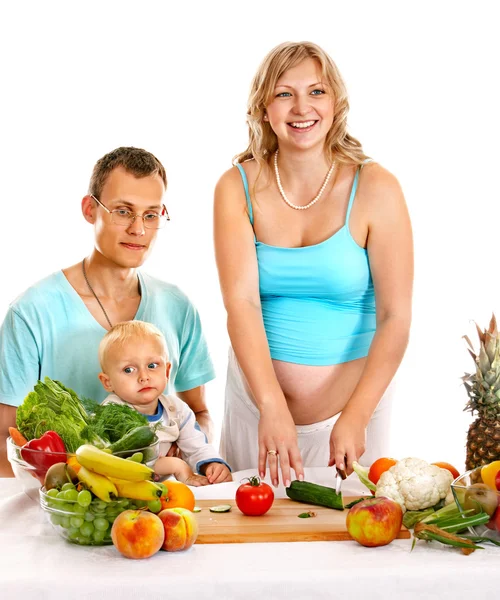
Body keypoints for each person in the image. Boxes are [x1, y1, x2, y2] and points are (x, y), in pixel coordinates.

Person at [214, 41, 413, 487]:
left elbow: (395, 317)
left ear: (336, 103)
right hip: (257, 409)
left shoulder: (377, 188)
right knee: (250, 541)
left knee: (354, 543)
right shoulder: (235, 187)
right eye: (284, 93)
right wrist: (271, 405)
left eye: (316, 92)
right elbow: (240, 303)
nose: (302, 107)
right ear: (264, 109)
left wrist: (357, 414)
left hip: (353, 417)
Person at [0, 147, 215, 476]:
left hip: (161, 504)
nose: (138, 229)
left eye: (151, 214)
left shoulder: (178, 306)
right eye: (123, 211)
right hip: (67, 506)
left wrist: (187, 454)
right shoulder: (31, 313)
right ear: (90, 209)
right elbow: (5, 440)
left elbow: (199, 413)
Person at [98, 321, 232, 486]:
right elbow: (128, 462)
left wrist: (211, 464)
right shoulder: (111, 413)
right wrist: (176, 465)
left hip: (160, 492)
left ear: (167, 371)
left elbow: (196, 445)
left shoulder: (176, 409)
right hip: (121, 491)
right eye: (129, 370)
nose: (144, 376)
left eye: (152, 365)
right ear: (107, 382)